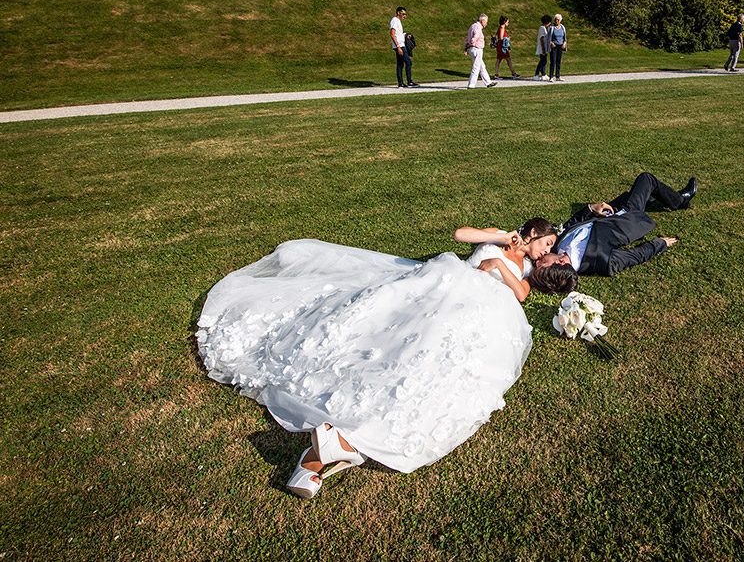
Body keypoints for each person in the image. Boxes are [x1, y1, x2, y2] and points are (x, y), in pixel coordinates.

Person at [197, 218, 576, 499]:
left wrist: (499, 268)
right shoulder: (503, 235)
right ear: (532, 233)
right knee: (374, 326)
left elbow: (522, 291)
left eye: (551, 251)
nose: (548, 250)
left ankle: (331, 450)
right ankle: (335, 449)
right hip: (443, 282)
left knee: (429, 354)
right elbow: (462, 236)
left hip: (472, 302)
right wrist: (498, 238)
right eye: (548, 243)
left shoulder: (528, 268)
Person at [536, 172, 696, 279]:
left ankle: (652, 198)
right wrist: (660, 244)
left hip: (606, 212)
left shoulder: (555, 247)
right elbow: (634, 256)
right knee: (646, 179)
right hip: (628, 216)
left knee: (634, 194)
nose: (539, 260)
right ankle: (681, 200)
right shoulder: (600, 261)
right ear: (561, 263)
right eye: (542, 263)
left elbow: (571, 224)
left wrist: (591, 208)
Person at [464, 13, 496, 89]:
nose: (486, 24)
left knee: (482, 66)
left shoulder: (472, 26)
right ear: (482, 21)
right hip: (477, 49)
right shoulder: (478, 27)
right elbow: (475, 37)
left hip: (472, 49)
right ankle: (471, 85)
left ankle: (488, 82)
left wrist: (466, 47)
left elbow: (467, 37)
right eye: (486, 22)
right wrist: (471, 44)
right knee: (476, 67)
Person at [389, 7, 416, 88]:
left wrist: (406, 35)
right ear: (398, 13)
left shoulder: (398, 21)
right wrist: (398, 47)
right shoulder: (394, 20)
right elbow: (392, 34)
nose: (405, 16)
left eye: (405, 14)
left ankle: (400, 83)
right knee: (408, 62)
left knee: (400, 64)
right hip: (399, 46)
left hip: (401, 45)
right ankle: (409, 82)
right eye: (403, 14)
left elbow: (398, 34)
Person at [547, 14, 567, 81]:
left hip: (560, 46)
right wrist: (551, 43)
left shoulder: (562, 27)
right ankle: (551, 76)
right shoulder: (551, 28)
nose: (556, 21)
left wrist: (564, 43)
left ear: (560, 20)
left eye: (558, 20)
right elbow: (548, 38)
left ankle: (558, 76)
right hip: (554, 46)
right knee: (553, 61)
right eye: (555, 19)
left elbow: (564, 37)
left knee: (558, 61)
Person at [534, 14, 552, 80]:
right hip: (542, 48)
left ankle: (543, 74)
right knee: (542, 61)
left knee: (544, 61)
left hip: (544, 47)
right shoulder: (542, 28)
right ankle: (536, 74)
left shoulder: (544, 28)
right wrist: (543, 50)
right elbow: (542, 39)